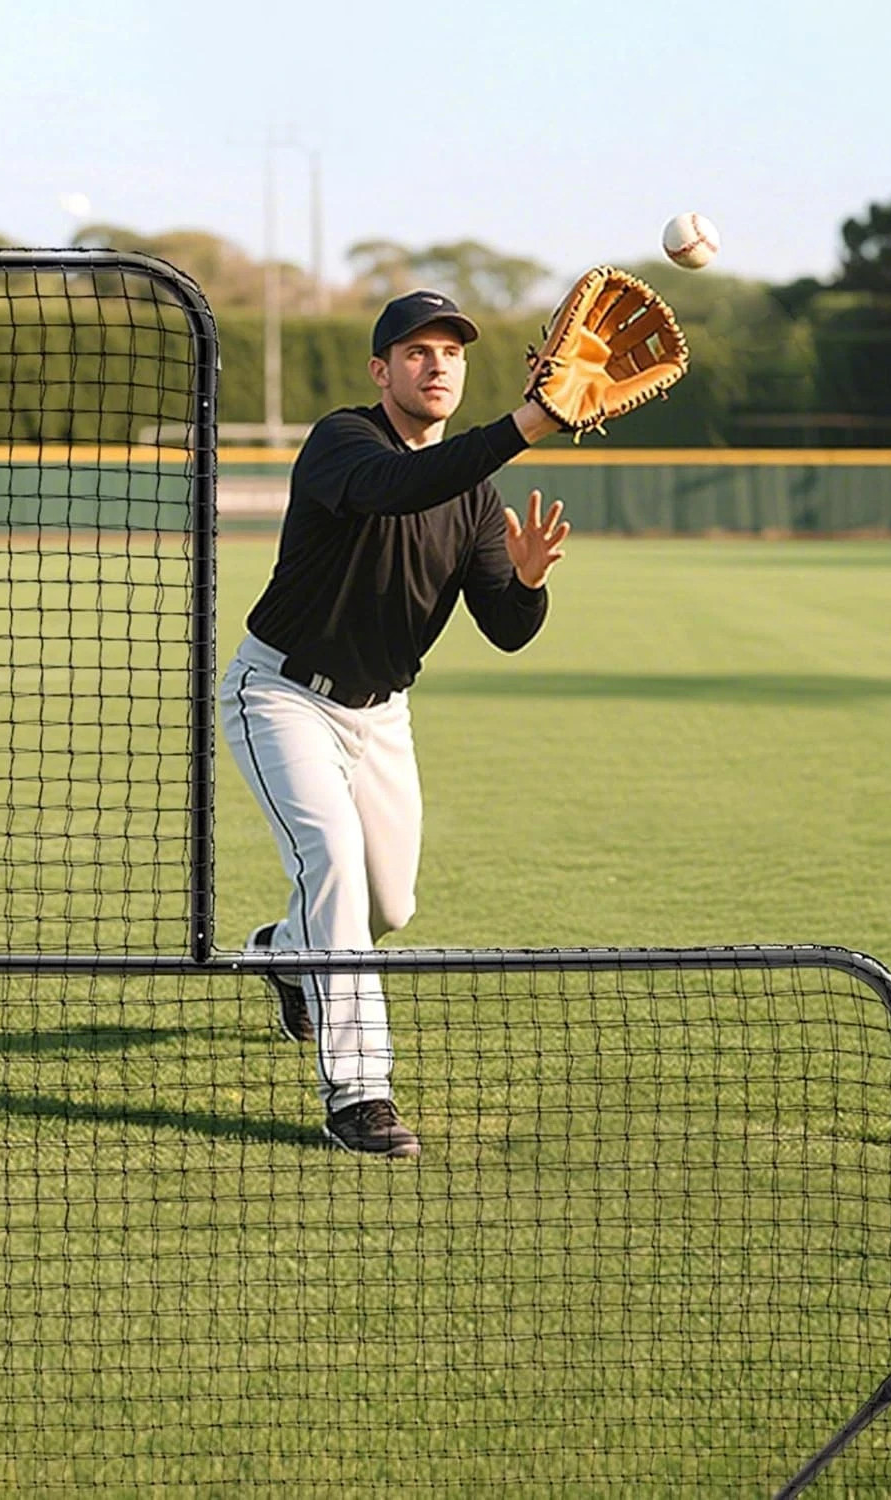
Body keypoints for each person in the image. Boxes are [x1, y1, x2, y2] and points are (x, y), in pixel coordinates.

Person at [219, 288, 569, 1160]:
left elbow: (506, 630)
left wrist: (528, 582)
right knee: (333, 861)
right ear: (382, 371)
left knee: (389, 905)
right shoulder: (344, 441)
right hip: (281, 695)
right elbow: (395, 488)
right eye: (417, 351)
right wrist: (527, 423)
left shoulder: (475, 498)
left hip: (380, 714)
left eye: (451, 352)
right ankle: (359, 1094)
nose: (437, 364)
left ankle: (283, 956)